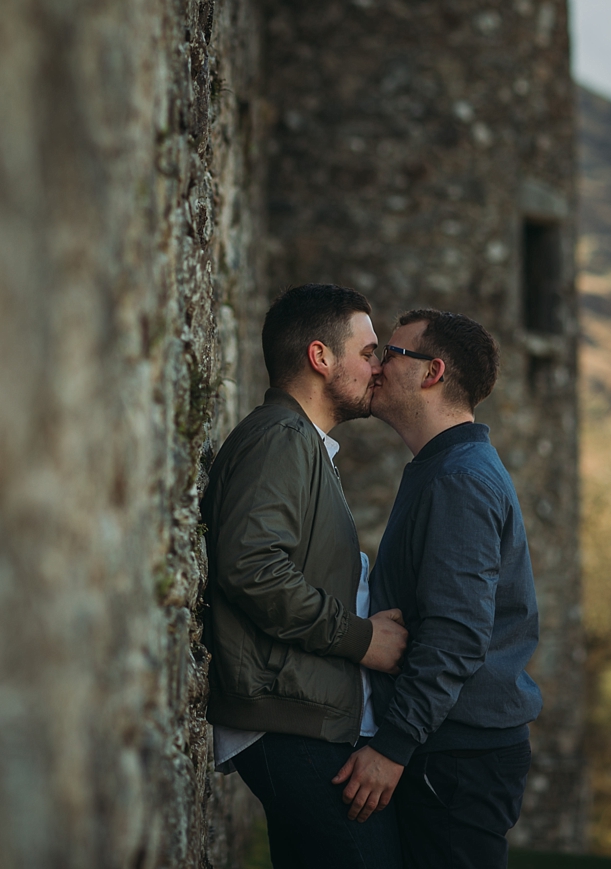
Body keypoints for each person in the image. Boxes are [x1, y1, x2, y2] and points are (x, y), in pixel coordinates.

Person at [202, 284, 409, 869]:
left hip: (301, 720)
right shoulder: (282, 439)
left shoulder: (301, 444)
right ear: (321, 358)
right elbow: (252, 568)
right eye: (368, 353)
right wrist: (363, 640)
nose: (379, 367)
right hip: (291, 726)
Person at [331, 309, 544, 869]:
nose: (375, 365)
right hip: (448, 748)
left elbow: (457, 633)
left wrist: (393, 746)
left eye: (391, 354)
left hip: (458, 758)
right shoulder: (443, 467)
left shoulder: (461, 478)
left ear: (433, 372)